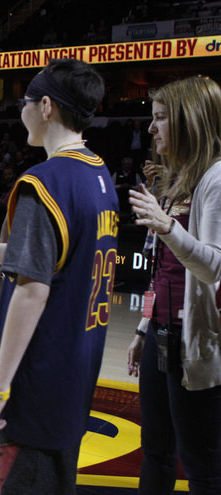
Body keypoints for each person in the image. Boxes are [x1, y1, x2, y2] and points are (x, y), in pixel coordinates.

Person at [0, 59, 116, 493]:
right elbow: (47, 257)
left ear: (46, 106)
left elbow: (33, 290)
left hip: (38, 377)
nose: (22, 110)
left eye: (26, 102)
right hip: (75, 372)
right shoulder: (97, 175)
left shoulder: (45, 182)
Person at [126, 75, 221, 494]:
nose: (151, 129)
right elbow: (160, 270)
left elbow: (216, 265)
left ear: (189, 120)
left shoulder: (216, 180)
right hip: (161, 334)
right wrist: (143, 329)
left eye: (160, 118)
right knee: (155, 452)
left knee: (201, 467)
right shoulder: (178, 180)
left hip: (195, 340)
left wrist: (168, 227)